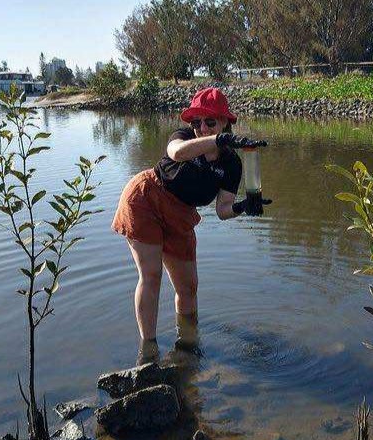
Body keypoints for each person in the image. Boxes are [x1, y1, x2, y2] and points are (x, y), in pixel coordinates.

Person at [111, 87, 269, 361]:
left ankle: (187, 345)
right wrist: (216, 140)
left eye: (210, 122)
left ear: (225, 121)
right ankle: (148, 352)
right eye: (197, 122)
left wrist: (244, 206)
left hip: (181, 214)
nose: (201, 128)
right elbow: (177, 153)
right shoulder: (183, 137)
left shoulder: (232, 164)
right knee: (151, 275)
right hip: (146, 198)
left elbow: (222, 209)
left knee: (188, 287)